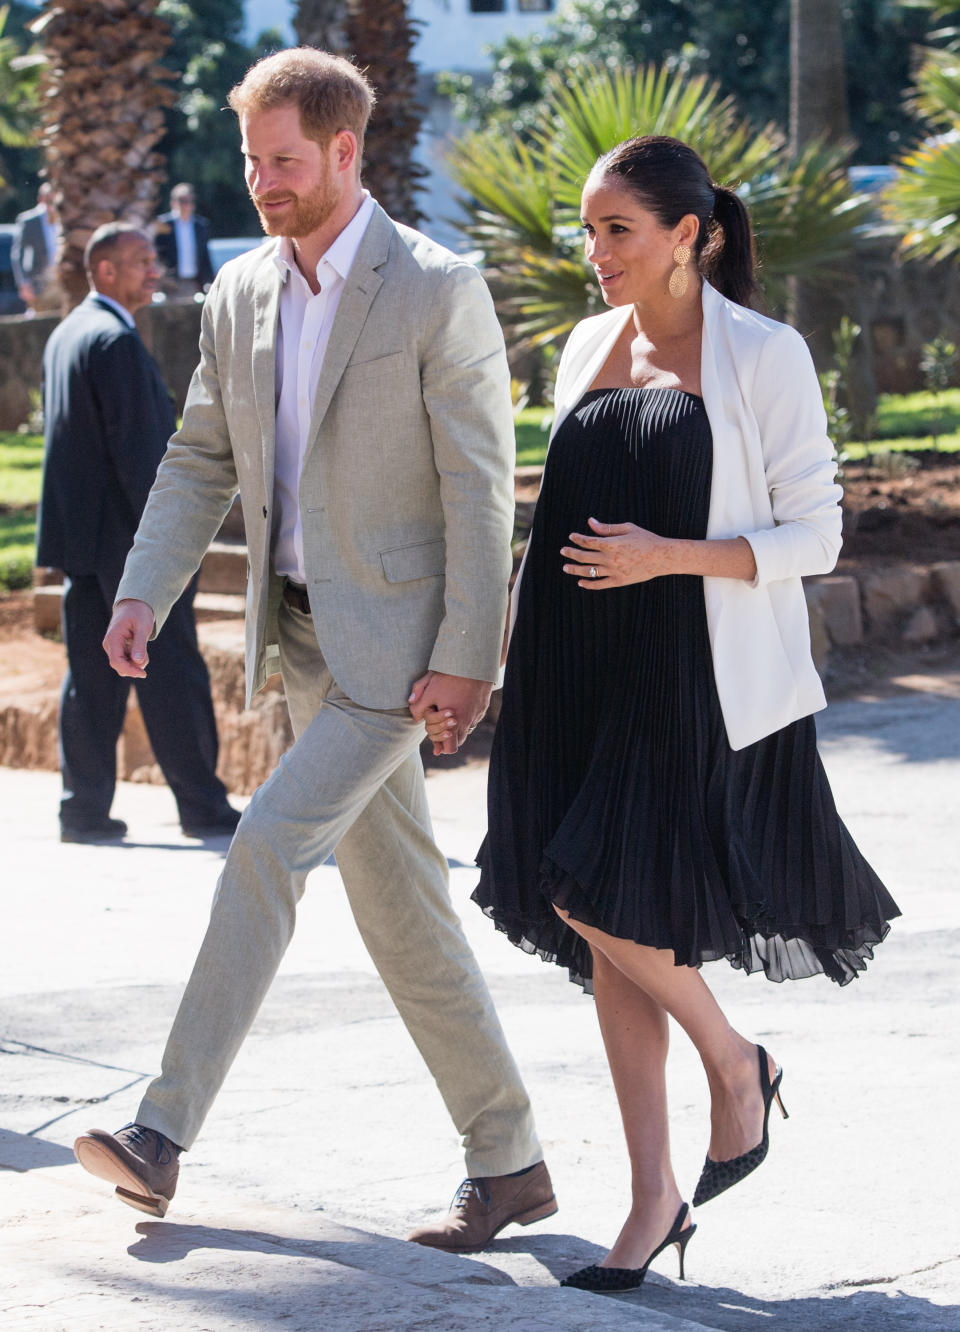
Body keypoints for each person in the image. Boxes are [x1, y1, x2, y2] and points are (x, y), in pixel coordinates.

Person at [72, 48, 555, 1250]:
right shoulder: (240, 293)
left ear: (345, 150)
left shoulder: (435, 287)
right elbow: (198, 460)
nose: (262, 181)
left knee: (267, 846)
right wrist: (141, 594)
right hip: (297, 643)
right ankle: (510, 1164)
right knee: (404, 917)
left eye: (284, 160)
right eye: (250, 160)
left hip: (396, 654)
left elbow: (480, 489)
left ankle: (161, 1134)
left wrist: (468, 658)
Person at [427, 134, 901, 1291]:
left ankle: (736, 1064)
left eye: (616, 230)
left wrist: (668, 557)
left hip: (692, 676)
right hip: (572, 671)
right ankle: (651, 1201)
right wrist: (489, 647)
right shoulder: (589, 344)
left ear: (690, 234)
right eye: (587, 231)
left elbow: (818, 535)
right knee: (594, 920)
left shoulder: (765, 355)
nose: (594, 253)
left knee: (587, 893)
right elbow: (551, 516)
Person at [37, 223, 241, 844]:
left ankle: (83, 809)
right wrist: (168, 547)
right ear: (104, 271)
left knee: (91, 679)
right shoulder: (115, 343)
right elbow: (144, 457)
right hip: (132, 551)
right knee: (172, 670)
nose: (155, 271)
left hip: (85, 545)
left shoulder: (68, 334)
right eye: (141, 262)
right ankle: (203, 806)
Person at [154, 183, 214, 298]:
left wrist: (209, 281)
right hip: (170, 285)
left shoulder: (201, 225)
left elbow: (205, 256)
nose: (187, 205)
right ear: (174, 202)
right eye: (183, 201)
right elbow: (158, 256)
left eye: (190, 201)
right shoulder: (163, 225)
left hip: (194, 284)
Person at [12, 182, 60, 314]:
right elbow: (18, 254)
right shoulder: (29, 220)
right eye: (49, 199)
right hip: (40, 282)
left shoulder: (65, 216)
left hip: (61, 278)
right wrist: (23, 283)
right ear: (41, 199)